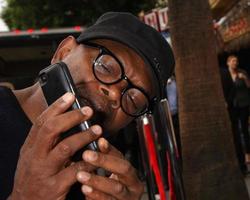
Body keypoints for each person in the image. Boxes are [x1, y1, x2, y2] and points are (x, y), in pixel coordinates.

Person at [0, 12, 174, 200]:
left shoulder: (98, 180)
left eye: (134, 100)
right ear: (63, 53)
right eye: (106, 67)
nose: (115, 94)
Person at [221, 54, 250, 174]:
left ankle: (247, 155)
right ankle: (241, 159)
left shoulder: (241, 72)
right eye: (233, 61)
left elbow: (248, 86)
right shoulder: (225, 74)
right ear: (228, 63)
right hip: (233, 106)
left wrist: (244, 78)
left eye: (236, 61)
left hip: (244, 104)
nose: (235, 63)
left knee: (244, 129)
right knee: (236, 132)